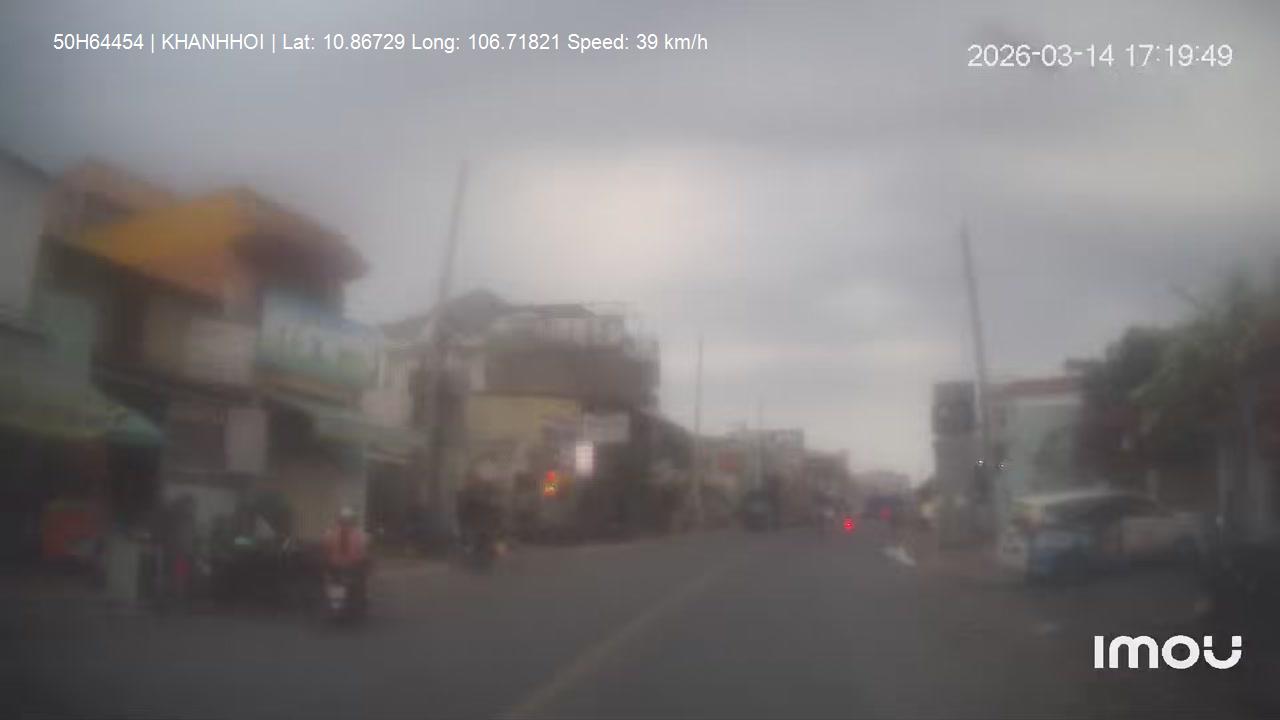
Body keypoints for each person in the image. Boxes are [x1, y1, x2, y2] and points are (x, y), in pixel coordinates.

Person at [323, 506, 370, 609]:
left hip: (347, 568)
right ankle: (340, 606)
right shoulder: (359, 535)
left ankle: (345, 605)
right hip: (342, 569)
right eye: (344, 520)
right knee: (340, 590)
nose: (346, 524)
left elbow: (326, 550)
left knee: (353, 590)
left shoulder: (331, 533)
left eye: (347, 520)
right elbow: (364, 554)